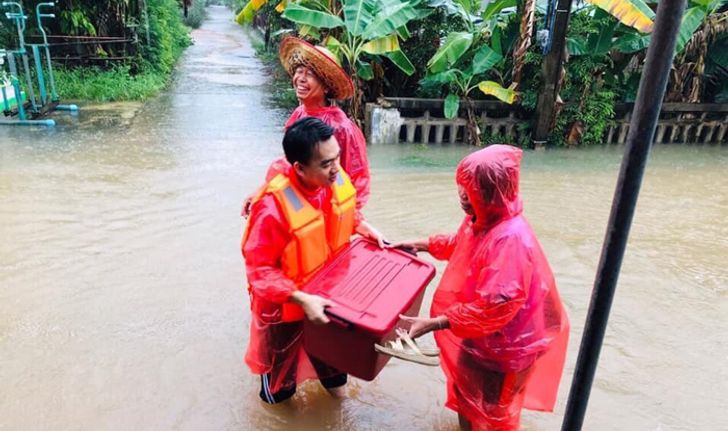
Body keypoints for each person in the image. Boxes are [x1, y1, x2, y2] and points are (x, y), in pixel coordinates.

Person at [394, 145, 569, 430]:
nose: (463, 195)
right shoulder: (483, 218)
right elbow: (462, 244)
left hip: (511, 345)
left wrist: (435, 323)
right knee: (467, 395)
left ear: (493, 191)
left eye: (472, 189)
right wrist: (421, 244)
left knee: (493, 413)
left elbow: (496, 306)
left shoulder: (510, 239)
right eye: (462, 187)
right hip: (485, 335)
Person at [242, 117, 385, 404]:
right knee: (279, 391)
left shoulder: (331, 175)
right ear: (299, 168)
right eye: (326, 164)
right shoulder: (272, 208)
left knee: (335, 370)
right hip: (285, 310)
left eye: (337, 158)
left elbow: (340, 212)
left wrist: (362, 226)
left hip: (328, 295)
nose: (336, 169)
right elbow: (259, 270)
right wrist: (300, 298)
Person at [242, 36, 370, 218]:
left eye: (309, 74)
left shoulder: (341, 127)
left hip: (327, 213)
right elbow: (290, 164)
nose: (300, 79)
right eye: (299, 71)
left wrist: (350, 221)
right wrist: (261, 192)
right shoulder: (299, 114)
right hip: (301, 205)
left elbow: (357, 179)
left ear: (326, 87)